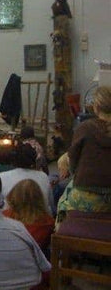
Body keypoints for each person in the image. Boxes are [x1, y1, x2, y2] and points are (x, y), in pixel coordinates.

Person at [57, 86, 111, 224]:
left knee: (62, 202)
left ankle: (61, 236)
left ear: (96, 106)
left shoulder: (85, 128)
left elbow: (73, 161)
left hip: (86, 194)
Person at [0, 143, 55, 215]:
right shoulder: (43, 176)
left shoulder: (3, 176)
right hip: (39, 220)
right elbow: (50, 203)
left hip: (11, 220)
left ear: (13, 159)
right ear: (34, 159)